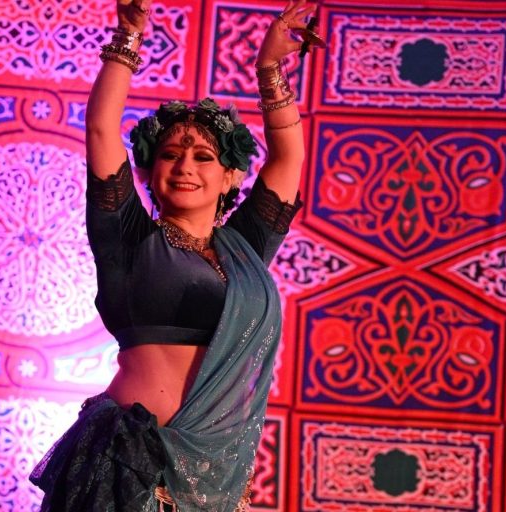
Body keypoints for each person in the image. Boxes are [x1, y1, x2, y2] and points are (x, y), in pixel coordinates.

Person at [31, 0, 322, 510]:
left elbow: (289, 155)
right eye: (170, 154)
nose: (186, 166)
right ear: (149, 171)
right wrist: (128, 38)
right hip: (125, 462)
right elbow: (101, 129)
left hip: (208, 475)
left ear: (230, 177)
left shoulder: (244, 251)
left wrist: (269, 69)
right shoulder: (128, 236)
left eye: (203, 156)